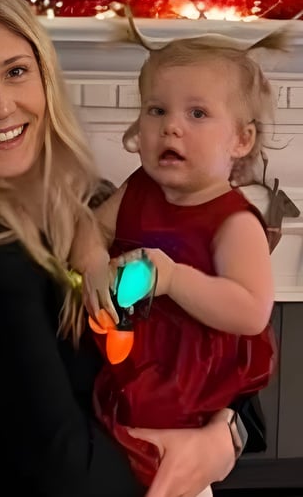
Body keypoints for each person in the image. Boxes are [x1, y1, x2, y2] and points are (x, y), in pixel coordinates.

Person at [0, 0, 251, 497]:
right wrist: (183, 458)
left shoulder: (95, 203)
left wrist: (225, 438)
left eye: (16, 72)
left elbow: (218, 347)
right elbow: (67, 475)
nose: (0, 106)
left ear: (44, 78)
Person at [81, 29, 280, 495]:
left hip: (188, 393)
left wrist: (174, 278)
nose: (171, 126)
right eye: (157, 110)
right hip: (127, 372)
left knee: (171, 479)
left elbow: (251, 311)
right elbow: (91, 228)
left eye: (197, 113)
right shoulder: (139, 189)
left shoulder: (234, 222)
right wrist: (92, 262)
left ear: (241, 139)